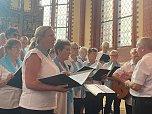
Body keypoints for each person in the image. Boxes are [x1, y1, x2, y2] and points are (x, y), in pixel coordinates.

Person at [19, 26, 68, 114]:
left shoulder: (46, 56)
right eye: (51, 35)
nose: (54, 38)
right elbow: (30, 83)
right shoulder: (34, 55)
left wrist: (61, 75)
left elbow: (45, 75)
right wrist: (55, 88)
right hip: (33, 107)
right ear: (41, 38)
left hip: (46, 105)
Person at [124, 37, 152, 114]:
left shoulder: (143, 61)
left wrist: (127, 82)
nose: (136, 49)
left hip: (143, 102)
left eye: (137, 46)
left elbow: (136, 86)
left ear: (142, 48)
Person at [112, 48, 140, 114]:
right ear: (130, 56)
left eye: (137, 52)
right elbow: (115, 74)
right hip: (129, 95)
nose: (136, 54)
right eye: (134, 53)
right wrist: (124, 82)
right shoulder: (127, 65)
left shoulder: (142, 64)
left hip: (140, 97)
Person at [0, 38, 22, 114]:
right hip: (4, 103)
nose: (19, 50)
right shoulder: (1, 63)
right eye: (16, 47)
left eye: (20, 47)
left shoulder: (21, 63)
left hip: (18, 102)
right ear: (8, 50)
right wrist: (6, 80)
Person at [53, 39, 71, 114]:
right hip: (57, 97)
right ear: (59, 51)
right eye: (67, 50)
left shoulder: (66, 65)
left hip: (65, 95)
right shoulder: (53, 64)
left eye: (69, 50)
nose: (69, 52)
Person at [84, 48, 104, 114]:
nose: (94, 56)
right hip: (88, 90)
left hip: (97, 89)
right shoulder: (84, 64)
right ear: (88, 54)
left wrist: (103, 77)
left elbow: (103, 76)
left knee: (97, 109)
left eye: (96, 54)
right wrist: (87, 77)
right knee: (89, 109)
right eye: (93, 54)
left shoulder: (100, 65)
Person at [66, 42, 84, 114]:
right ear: (70, 50)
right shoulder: (67, 61)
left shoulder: (80, 62)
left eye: (77, 48)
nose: (76, 50)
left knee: (78, 109)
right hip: (72, 90)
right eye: (74, 48)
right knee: (72, 109)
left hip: (80, 89)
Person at [102, 50, 121, 114]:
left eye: (114, 55)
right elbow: (102, 76)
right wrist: (108, 77)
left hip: (117, 88)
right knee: (108, 104)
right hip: (108, 87)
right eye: (111, 55)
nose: (113, 57)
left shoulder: (120, 66)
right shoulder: (106, 65)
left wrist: (113, 78)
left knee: (117, 105)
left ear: (117, 56)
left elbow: (121, 78)